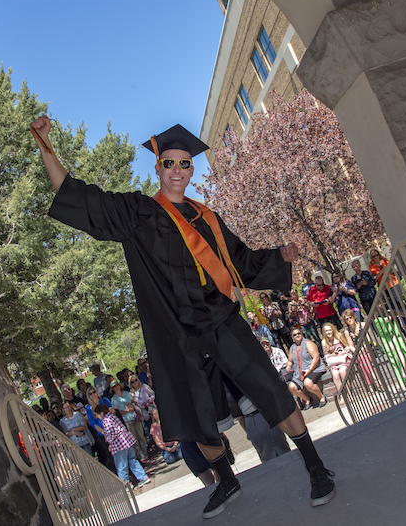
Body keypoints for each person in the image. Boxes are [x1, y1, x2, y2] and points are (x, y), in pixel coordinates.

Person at [30, 118, 335, 516]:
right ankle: (227, 481)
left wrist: (279, 257)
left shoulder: (206, 218)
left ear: (192, 170)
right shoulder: (137, 213)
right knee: (191, 414)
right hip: (177, 334)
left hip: (221, 321)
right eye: (169, 164)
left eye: (184, 164)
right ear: (157, 169)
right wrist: (44, 146)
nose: (177, 171)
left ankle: (315, 467)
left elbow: (241, 262)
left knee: (269, 388)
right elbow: (80, 198)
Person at [94, 404, 151, 487]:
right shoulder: (112, 416)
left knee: (121, 465)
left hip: (119, 444)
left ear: (102, 413)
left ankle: (126, 484)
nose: (97, 417)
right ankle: (143, 477)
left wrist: (109, 441)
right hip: (126, 440)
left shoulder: (106, 420)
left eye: (97, 415)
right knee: (132, 460)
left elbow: (112, 432)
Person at [286, 326, 327, 410]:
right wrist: (288, 366)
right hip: (300, 372)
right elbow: (290, 360)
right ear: (292, 337)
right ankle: (306, 399)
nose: (297, 335)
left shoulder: (308, 343)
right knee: (291, 387)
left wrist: (310, 370)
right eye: (295, 335)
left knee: (308, 383)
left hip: (314, 369)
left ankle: (321, 397)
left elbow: (316, 357)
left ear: (302, 334)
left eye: (299, 333)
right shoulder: (292, 348)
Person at [109, 382, 148, 462]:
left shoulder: (126, 393)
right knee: (134, 439)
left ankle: (145, 455)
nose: (116, 388)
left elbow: (134, 402)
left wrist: (133, 406)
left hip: (134, 417)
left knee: (141, 436)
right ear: (112, 389)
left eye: (117, 386)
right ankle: (140, 457)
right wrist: (126, 411)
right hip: (126, 420)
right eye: (114, 387)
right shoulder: (114, 399)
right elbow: (116, 412)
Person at [320, 323, 354, 391]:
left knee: (342, 371)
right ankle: (341, 394)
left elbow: (347, 346)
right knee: (335, 374)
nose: (328, 332)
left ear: (333, 330)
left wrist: (343, 352)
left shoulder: (339, 336)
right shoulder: (324, 342)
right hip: (334, 362)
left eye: (330, 330)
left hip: (343, 359)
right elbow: (326, 355)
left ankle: (349, 392)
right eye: (326, 331)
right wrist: (331, 355)